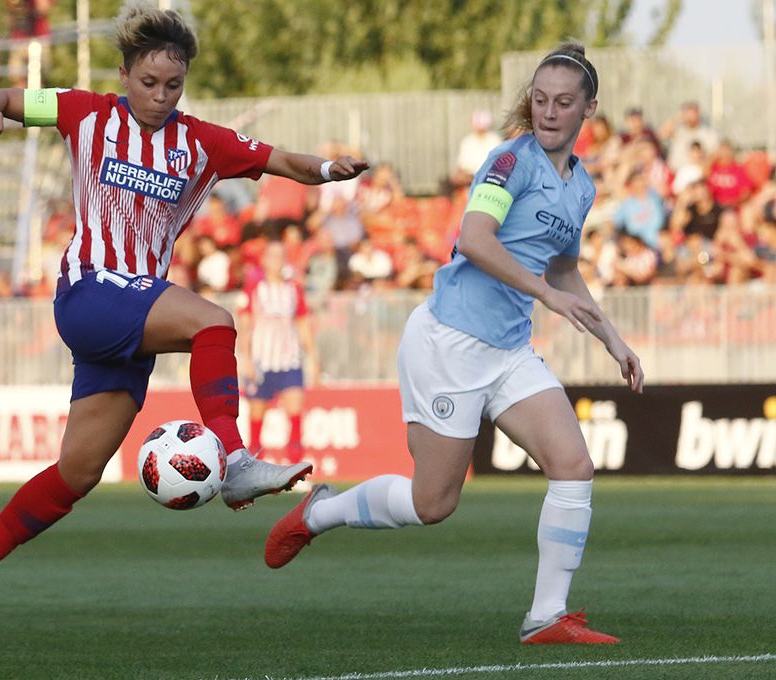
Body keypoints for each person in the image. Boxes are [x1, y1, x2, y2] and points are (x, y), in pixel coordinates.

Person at [0, 2, 367, 637]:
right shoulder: (85, 112)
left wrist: (331, 170)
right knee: (213, 322)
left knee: (75, 474)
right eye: (148, 83)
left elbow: (286, 162)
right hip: (89, 293)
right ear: (123, 74)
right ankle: (233, 457)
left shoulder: (201, 142)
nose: (160, 97)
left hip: (132, 311)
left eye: (173, 85)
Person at [264, 42, 643, 645]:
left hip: (509, 350)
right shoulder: (509, 163)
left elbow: (565, 271)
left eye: (563, 102)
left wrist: (613, 340)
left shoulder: (581, 186)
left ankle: (547, 616)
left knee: (573, 466)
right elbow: (474, 239)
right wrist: (544, 296)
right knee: (432, 503)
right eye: (540, 100)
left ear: (588, 108)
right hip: (449, 343)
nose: (548, 112)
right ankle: (320, 512)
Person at [238, 239, 318, 464]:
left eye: (281, 255)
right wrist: (246, 360)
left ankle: (297, 470)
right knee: (257, 417)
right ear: (264, 260)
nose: (277, 260)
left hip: (289, 360)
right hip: (261, 360)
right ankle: (253, 469)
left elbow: (302, 324)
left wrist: (313, 358)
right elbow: (245, 327)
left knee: (295, 415)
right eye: (272, 255)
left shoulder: (293, 289)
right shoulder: (255, 288)